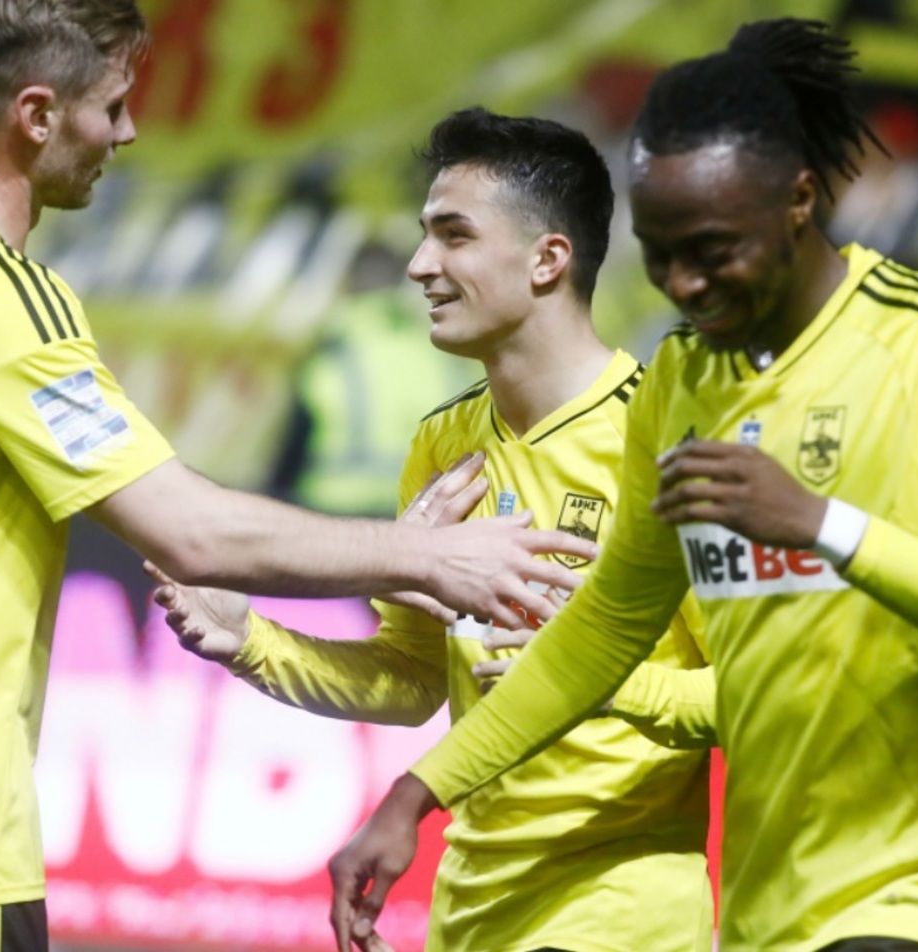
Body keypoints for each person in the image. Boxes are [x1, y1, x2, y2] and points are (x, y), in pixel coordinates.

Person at [0, 4, 596, 950]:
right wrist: (427, 556)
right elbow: (191, 531)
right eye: (111, 106)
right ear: (36, 114)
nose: (129, 132)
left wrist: (273, 631)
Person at [328, 18, 918, 952]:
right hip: (769, 906)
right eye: (662, 251)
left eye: (712, 249)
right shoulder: (683, 382)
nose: (684, 283)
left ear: (797, 201)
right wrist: (416, 795)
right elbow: (602, 631)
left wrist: (822, 525)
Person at [154, 108, 716, 952]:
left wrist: (599, 678)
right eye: (424, 236)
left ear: (548, 259)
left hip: (622, 911)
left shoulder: (665, 442)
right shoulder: (444, 443)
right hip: (467, 910)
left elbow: (756, 692)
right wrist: (253, 644)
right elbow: (413, 679)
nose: (420, 265)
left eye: (454, 236)